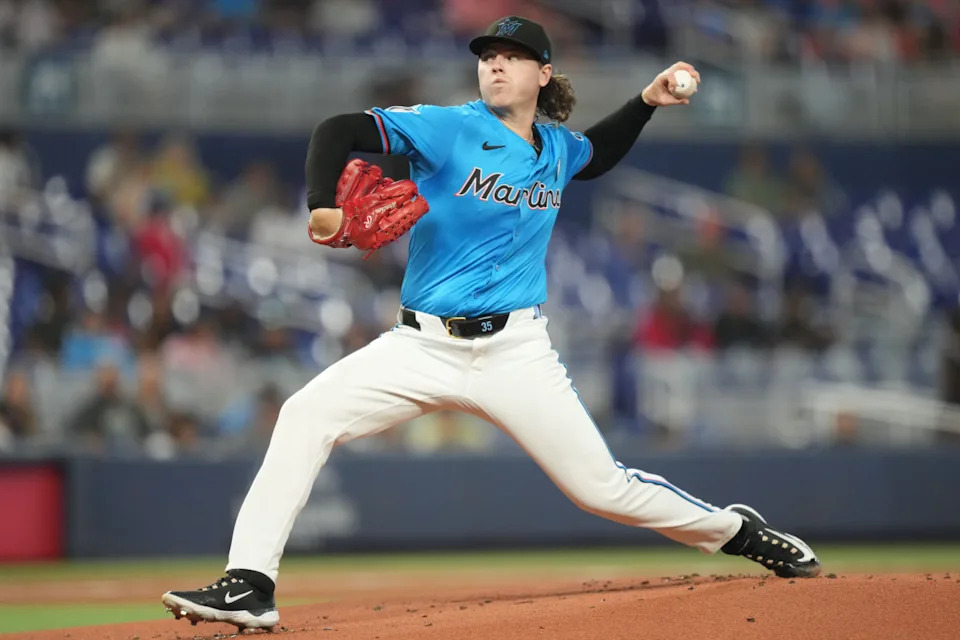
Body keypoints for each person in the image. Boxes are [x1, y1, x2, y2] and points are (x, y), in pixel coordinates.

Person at [162, 16, 821, 631]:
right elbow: (336, 130)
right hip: (421, 344)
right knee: (306, 415)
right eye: (488, 57)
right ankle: (250, 582)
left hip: (516, 352)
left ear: (543, 75)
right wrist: (321, 203)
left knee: (602, 489)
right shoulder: (446, 128)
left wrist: (646, 101)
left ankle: (736, 531)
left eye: (514, 58)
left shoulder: (556, 149)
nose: (497, 65)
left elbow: (599, 152)